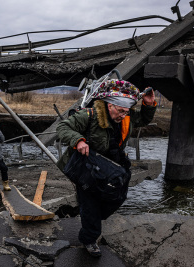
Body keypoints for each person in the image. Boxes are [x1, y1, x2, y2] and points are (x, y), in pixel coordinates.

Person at [56, 79, 156, 257]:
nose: (123, 116)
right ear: (109, 106)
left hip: (113, 166)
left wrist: (148, 105)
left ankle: (95, 218)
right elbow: (63, 127)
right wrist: (77, 140)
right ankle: (89, 239)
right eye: (120, 111)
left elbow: (143, 119)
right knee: (89, 202)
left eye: (126, 112)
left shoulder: (126, 117)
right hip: (88, 166)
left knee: (118, 196)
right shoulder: (90, 115)